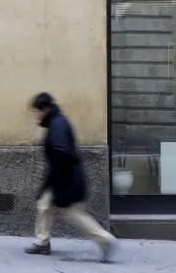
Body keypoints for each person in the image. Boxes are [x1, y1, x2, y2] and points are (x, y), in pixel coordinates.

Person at [25, 92, 117, 263]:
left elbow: (62, 153)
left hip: (66, 180)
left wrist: (58, 182)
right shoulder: (55, 122)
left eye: (36, 112)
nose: (35, 116)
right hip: (60, 178)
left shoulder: (57, 124)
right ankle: (42, 243)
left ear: (44, 109)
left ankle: (106, 240)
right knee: (45, 204)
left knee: (73, 214)